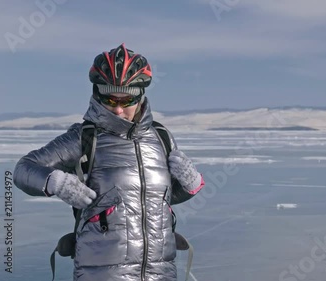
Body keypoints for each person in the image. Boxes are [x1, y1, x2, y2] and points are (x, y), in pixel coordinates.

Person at [13, 43, 205, 281]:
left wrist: (190, 185)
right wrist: (55, 182)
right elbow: (23, 170)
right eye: (109, 99)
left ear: (140, 94)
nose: (117, 109)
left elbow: (157, 199)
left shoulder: (161, 137)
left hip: (161, 272)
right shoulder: (83, 138)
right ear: (97, 93)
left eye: (126, 101)